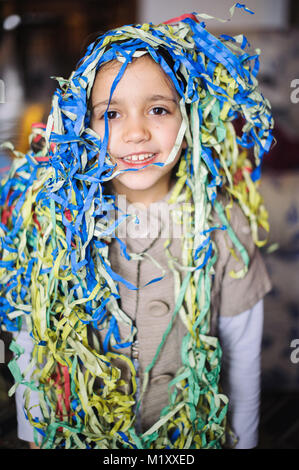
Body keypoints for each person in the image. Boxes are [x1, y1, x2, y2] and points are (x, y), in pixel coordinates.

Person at [0, 7, 274, 450]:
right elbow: (34, 342)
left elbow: (242, 350)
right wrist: (36, 437)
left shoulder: (223, 220)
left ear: (190, 123)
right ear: (81, 127)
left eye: (159, 109)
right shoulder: (57, 223)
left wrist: (244, 441)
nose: (136, 133)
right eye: (110, 115)